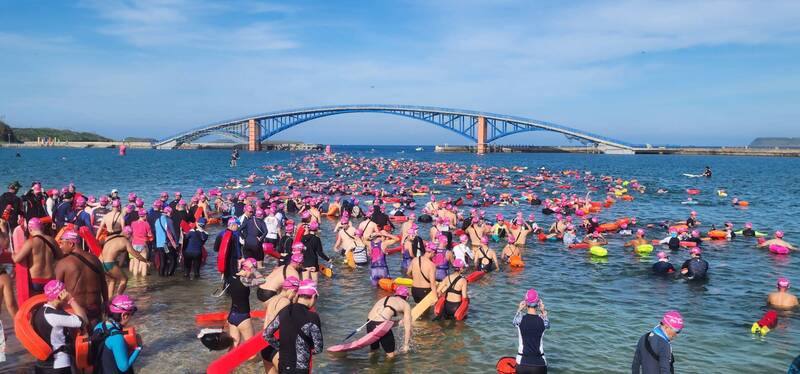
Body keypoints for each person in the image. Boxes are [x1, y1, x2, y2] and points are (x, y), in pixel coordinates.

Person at [264, 279, 323, 374]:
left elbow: (267, 334)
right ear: (313, 296)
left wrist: (280, 347)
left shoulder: (285, 311)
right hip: (300, 368)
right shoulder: (313, 317)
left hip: (283, 365)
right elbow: (318, 348)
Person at [32, 280, 87, 374]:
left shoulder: (37, 312)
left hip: (41, 364)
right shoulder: (55, 315)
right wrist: (71, 300)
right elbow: (84, 320)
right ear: (60, 296)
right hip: (58, 365)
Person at [215, 218, 253, 347]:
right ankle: (250, 368)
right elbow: (262, 280)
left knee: (234, 346)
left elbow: (217, 249)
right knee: (251, 349)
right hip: (243, 318)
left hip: (232, 316)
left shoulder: (231, 279)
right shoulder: (247, 282)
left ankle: (231, 367)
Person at [54, 230, 107, 325]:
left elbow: (56, 290)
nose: (60, 246)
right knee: (97, 336)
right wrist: (106, 304)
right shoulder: (95, 260)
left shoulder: (63, 263)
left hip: (75, 311)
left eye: (62, 243)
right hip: (95, 308)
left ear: (70, 243)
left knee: (78, 339)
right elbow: (104, 284)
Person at [91, 294, 142, 373]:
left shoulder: (99, 326)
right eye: (131, 314)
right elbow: (124, 367)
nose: (131, 318)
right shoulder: (117, 337)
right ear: (124, 315)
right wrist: (138, 347)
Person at [13, 217, 61, 295]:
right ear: (42, 228)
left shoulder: (30, 242)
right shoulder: (52, 240)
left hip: (36, 281)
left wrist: (13, 255)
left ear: (30, 229)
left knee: (37, 304)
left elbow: (16, 259)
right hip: (51, 279)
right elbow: (60, 256)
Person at [262, 276, 300, 374]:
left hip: (265, 347)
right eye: (296, 292)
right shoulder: (286, 302)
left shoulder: (273, 299)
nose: (295, 295)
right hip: (277, 346)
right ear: (291, 289)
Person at [365, 286, 412, 358]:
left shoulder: (386, 298)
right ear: (407, 297)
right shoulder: (405, 305)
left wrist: (397, 322)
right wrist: (406, 345)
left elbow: (380, 318)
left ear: (396, 294)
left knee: (374, 350)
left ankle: (370, 366)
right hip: (381, 325)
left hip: (369, 322)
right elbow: (408, 328)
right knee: (391, 355)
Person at [513, 288, 550, 374]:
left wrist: (519, 309)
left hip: (522, 363)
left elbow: (514, 322)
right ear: (538, 303)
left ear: (525, 303)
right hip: (540, 364)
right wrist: (543, 310)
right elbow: (548, 325)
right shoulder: (543, 321)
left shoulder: (520, 319)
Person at [153, 206, 179, 277]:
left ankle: (161, 277)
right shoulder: (168, 220)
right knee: (173, 260)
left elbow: (156, 232)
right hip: (166, 245)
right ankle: (169, 277)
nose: (172, 214)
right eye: (171, 213)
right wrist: (176, 243)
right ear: (168, 212)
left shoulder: (157, 220)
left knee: (162, 262)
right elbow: (173, 233)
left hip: (159, 244)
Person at [129, 209, 152, 277]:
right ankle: (143, 281)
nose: (147, 216)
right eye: (146, 215)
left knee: (136, 263)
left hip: (134, 244)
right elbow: (150, 235)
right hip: (142, 244)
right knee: (144, 262)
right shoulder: (146, 224)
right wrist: (150, 239)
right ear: (144, 215)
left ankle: (135, 280)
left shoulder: (133, 223)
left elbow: (131, 233)